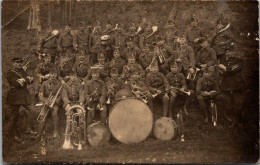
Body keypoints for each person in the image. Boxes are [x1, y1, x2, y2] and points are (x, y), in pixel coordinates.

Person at [6, 57, 36, 142]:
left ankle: (28, 129)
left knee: (32, 110)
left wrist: (25, 79)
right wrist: (26, 79)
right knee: (15, 116)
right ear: (13, 63)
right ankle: (14, 134)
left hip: (24, 96)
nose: (19, 64)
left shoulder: (22, 71)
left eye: (20, 63)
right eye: (17, 62)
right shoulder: (10, 73)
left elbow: (31, 80)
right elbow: (18, 84)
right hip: (15, 96)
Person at [218, 45, 246, 127]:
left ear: (234, 52)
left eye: (230, 51)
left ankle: (240, 121)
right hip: (226, 86)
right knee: (229, 106)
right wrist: (226, 70)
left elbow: (235, 70)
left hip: (237, 86)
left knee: (238, 105)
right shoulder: (224, 62)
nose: (228, 53)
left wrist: (225, 69)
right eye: (227, 52)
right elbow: (221, 72)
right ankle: (233, 122)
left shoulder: (238, 61)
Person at [35, 68, 62, 139]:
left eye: (55, 74)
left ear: (56, 75)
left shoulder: (59, 84)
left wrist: (55, 101)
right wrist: (45, 101)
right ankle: (39, 133)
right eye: (52, 74)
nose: (53, 76)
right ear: (49, 74)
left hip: (55, 103)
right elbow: (40, 94)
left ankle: (56, 132)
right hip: (46, 102)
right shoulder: (44, 83)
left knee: (55, 114)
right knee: (42, 115)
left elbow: (60, 95)